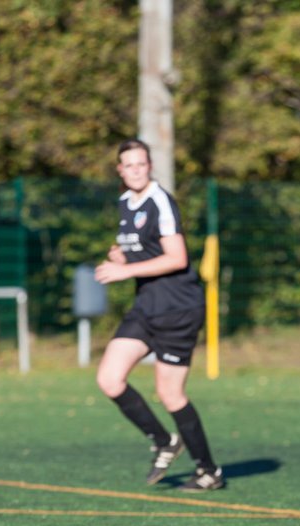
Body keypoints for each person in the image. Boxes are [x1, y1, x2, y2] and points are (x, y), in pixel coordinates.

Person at [93, 139, 223, 491]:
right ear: (120, 170)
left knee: (170, 394)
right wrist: (122, 257)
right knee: (109, 379)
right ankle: (164, 440)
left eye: (141, 164)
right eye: (129, 165)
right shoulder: (124, 202)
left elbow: (177, 258)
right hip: (146, 306)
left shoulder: (160, 201)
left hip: (178, 308)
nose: (136, 170)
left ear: (149, 166)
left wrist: (125, 271)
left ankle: (208, 471)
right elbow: (141, 248)